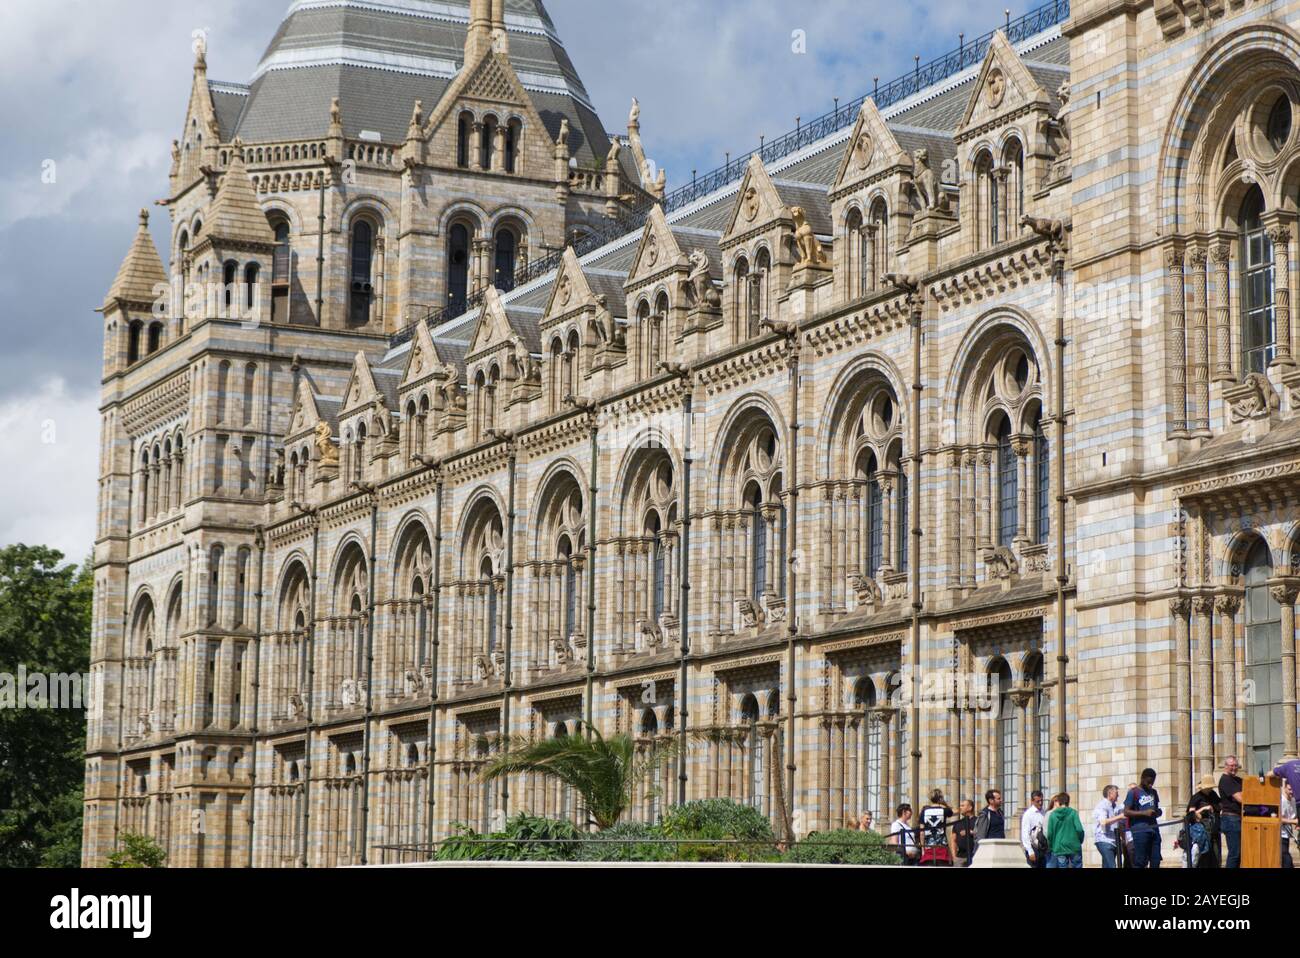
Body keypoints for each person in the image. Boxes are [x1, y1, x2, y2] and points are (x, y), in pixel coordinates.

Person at [1124, 768, 1163, 868]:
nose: (1150, 785)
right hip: (1140, 830)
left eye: (1152, 782)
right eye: (1148, 782)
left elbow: (1156, 808)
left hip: (1154, 829)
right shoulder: (1133, 792)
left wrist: (1158, 812)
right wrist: (1144, 813)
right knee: (1141, 861)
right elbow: (1126, 812)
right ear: (1142, 779)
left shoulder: (1153, 792)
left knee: (1156, 859)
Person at [1183, 775, 1221, 868]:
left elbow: (1219, 806)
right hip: (1201, 832)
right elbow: (1190, 815)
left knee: (1215, 856)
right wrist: (1204, 808)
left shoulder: (1213, 795)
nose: (1209, 789)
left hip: (1213, 830)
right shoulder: (1196, 797)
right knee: (1203, 858)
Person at [1045, 792, 1085, 868]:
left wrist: (1052, 846)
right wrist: (1080, 840)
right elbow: (1079, 829)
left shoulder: (1053, 815)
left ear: (1059, 802)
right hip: (1074, 846)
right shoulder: (1073, 813)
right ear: (1068, 801)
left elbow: (1050, 833)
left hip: (1059, 847)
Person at [1218, 756, 1244, 868]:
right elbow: (1241, 798)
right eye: (1231, 765)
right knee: (1235, 853)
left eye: (1235, 765)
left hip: (1239, 818)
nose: (1234, 768)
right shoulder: (1225, 780)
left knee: (1240, 853)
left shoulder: (1237, 780)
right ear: (1226, 766)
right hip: (1231, 819)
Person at [918, 789, 954, 866]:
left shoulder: (924, 811)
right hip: (942, 845)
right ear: (940, 798)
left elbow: (922, 832)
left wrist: (922, 848)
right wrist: (942, 804)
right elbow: (951, 811)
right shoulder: (944, 810)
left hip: (929, 846)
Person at [1092, 784, 1125, 868]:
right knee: (1112, 866)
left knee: (1107, 866)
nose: (1118, 795)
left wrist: (1123, 838)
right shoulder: (1102, 805)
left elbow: (1118, 824)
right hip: (1104, 840)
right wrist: (1120, 816)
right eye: (1116, 793)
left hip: (1113, 841)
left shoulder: (1115, 807)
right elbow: (1103, 821)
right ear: (1110, 793)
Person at [973, 789, 1005, 858]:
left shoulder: (1000, 813)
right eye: (998, 799)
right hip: (989, 848)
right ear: (991, 800)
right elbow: (981, 834)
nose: (1001, 800)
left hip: (1000, 846)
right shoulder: (984, 814)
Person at [1021, 789, 1048, 868]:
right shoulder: (1028, 814)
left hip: (1042, 847)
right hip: (1033, 848)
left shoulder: (1044, 812)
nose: (1040, 803)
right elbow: (1025, 833)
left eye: (1041, 800)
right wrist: (1030, 851)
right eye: (1038, 801)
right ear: (1032, 801)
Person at [951, 799, 977, 867]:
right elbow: (953, 840)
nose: (960, 807)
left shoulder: (978, 821)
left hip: (975, 856)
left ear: (970, 808)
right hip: (960, 857)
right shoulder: (957, 823)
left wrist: (970, 832)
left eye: (963, 806)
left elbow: (982, 834)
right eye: (960, 806)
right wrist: (954, 856)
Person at [1282, 781, 1296, 870]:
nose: (1291, 791)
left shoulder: (1293, 800)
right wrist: (1294, 821)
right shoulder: (1281, 800)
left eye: (1293, 789)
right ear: (1285, 788)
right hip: (1278, 834)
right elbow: (1279, 819)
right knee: (1287, 860)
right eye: (1289, 789)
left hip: (1286, 834)